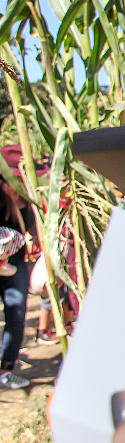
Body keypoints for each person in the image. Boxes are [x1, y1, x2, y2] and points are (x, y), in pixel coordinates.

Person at [0, 144, 47, 389]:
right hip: (2, 261)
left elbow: (29, 227)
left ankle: (6, 369)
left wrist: (33, 237)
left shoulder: (25, 199)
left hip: (15, 262)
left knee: (17, 315)